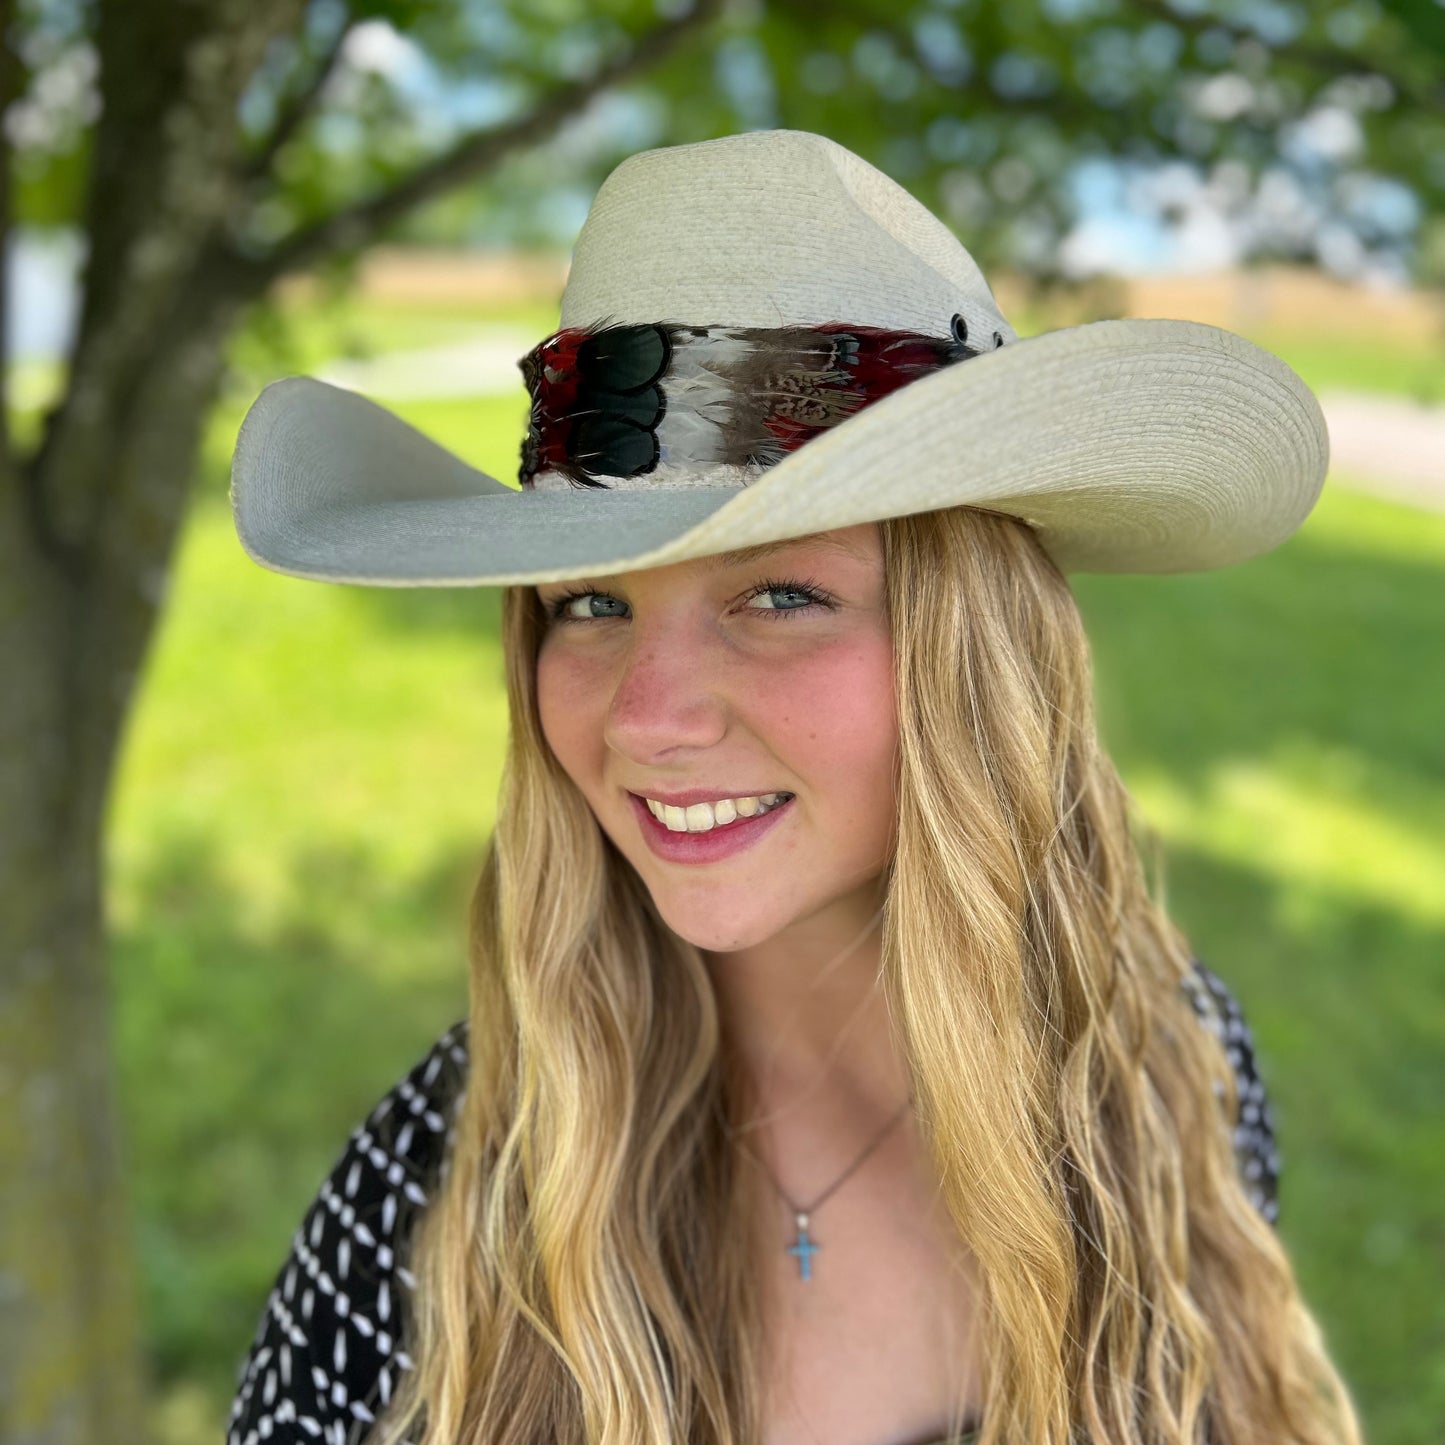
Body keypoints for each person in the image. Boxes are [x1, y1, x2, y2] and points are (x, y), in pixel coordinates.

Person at [224, 130, 1361, 1445]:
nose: (649, 718)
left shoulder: (1162, 1075)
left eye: (778, 595)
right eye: (587, 602)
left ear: (975, 658)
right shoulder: (429, 1212)